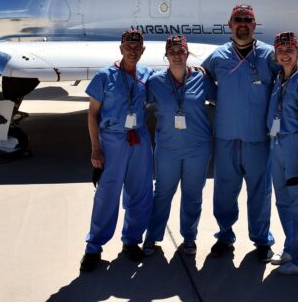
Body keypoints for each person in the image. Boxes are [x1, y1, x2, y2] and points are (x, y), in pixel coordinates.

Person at [202, 4, 298, 262]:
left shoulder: (268, 56)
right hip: (226, 137)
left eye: (248, 20)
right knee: (224, 190)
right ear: (230, 24)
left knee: (260, 193)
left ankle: (262, 240)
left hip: (258, 139)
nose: (243, 24)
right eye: (238, 19)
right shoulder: (217, 56)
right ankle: (224, 235)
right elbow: (203, 76)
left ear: (254, 25)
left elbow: (290, 72)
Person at [80, 30, 154, 272]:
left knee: (140, 192)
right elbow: (92, 113)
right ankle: (94, 246)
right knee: (106, 194)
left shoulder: (147, 75)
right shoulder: (105, 76)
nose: (132, 51)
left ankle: (131, 240)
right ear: (120, 49)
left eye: (137, 47)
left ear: (142, 51)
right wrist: (95, 148)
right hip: (112, 140)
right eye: (128, 46)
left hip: (139, 139)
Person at [142, 35, 216, 256]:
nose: (176, 55)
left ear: (187, 54)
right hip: (167, 149)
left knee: (193, 195)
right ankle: (152, 237)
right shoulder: (155, 82)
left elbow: (223, 100)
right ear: (166, 55)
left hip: (198, 148)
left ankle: (189, 237)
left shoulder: (202, 79)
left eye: (180, 51)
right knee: (162, 193)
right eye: (172, 52)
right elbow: (137, 101)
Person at [267, 31, 298, 275]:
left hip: (297, 146)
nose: (285, 55)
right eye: (281, 51)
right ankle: (291, 247)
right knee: (284, 201)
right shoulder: (279, 78)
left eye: (290, 51)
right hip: (277, 146)